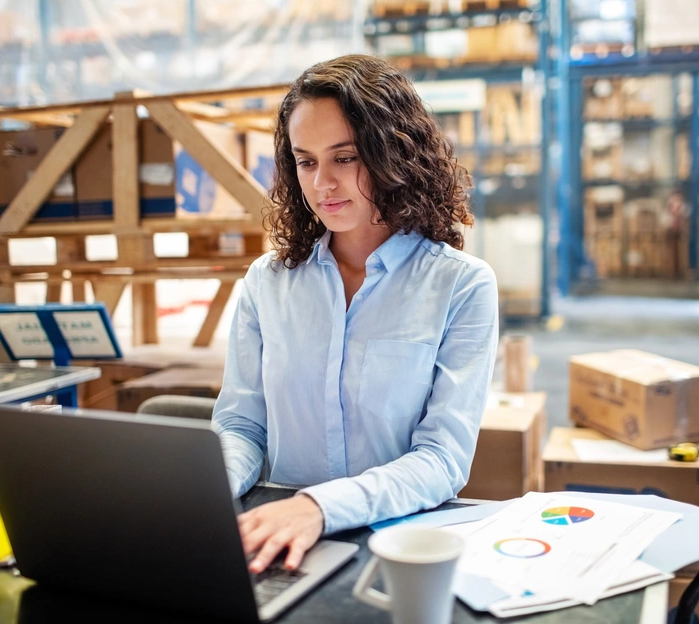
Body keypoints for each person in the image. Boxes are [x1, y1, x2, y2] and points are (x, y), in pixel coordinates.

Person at [212, 54, 499, 575]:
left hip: (397, 546)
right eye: (306, 161)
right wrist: (207, 491)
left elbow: (442, 460)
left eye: (345, 158)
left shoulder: (461, 284)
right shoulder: (267, 282)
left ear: (395, 154)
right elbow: (242, 424)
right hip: (277, 538)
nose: (322, 182)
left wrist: (320, 508)